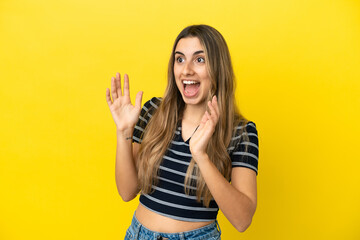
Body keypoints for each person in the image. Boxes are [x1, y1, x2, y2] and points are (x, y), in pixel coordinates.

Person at [105, 24, 259, 240]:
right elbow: (127, 191)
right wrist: (124, 132)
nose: (187, 70)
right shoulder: (153, 112)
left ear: (218, 68)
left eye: (199, 59)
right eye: (180, 59)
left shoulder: (241, 132)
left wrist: (201, 156)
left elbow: (242, 220)